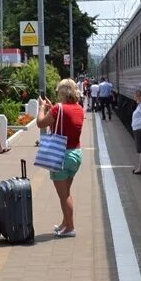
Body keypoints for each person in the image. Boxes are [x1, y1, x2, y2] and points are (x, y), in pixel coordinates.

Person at [36, 78, 85, 238]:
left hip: (60, 156)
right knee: (67, 192)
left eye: (58, 92)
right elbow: (65, 122)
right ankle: (65, 224)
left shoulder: (58, 108)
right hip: (75, 154)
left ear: (63, 92)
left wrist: (42, 108)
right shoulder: (79, 108)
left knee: (64, 196)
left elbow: (40, 123)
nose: (57, 95)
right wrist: (52, 108)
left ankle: (70, 228)